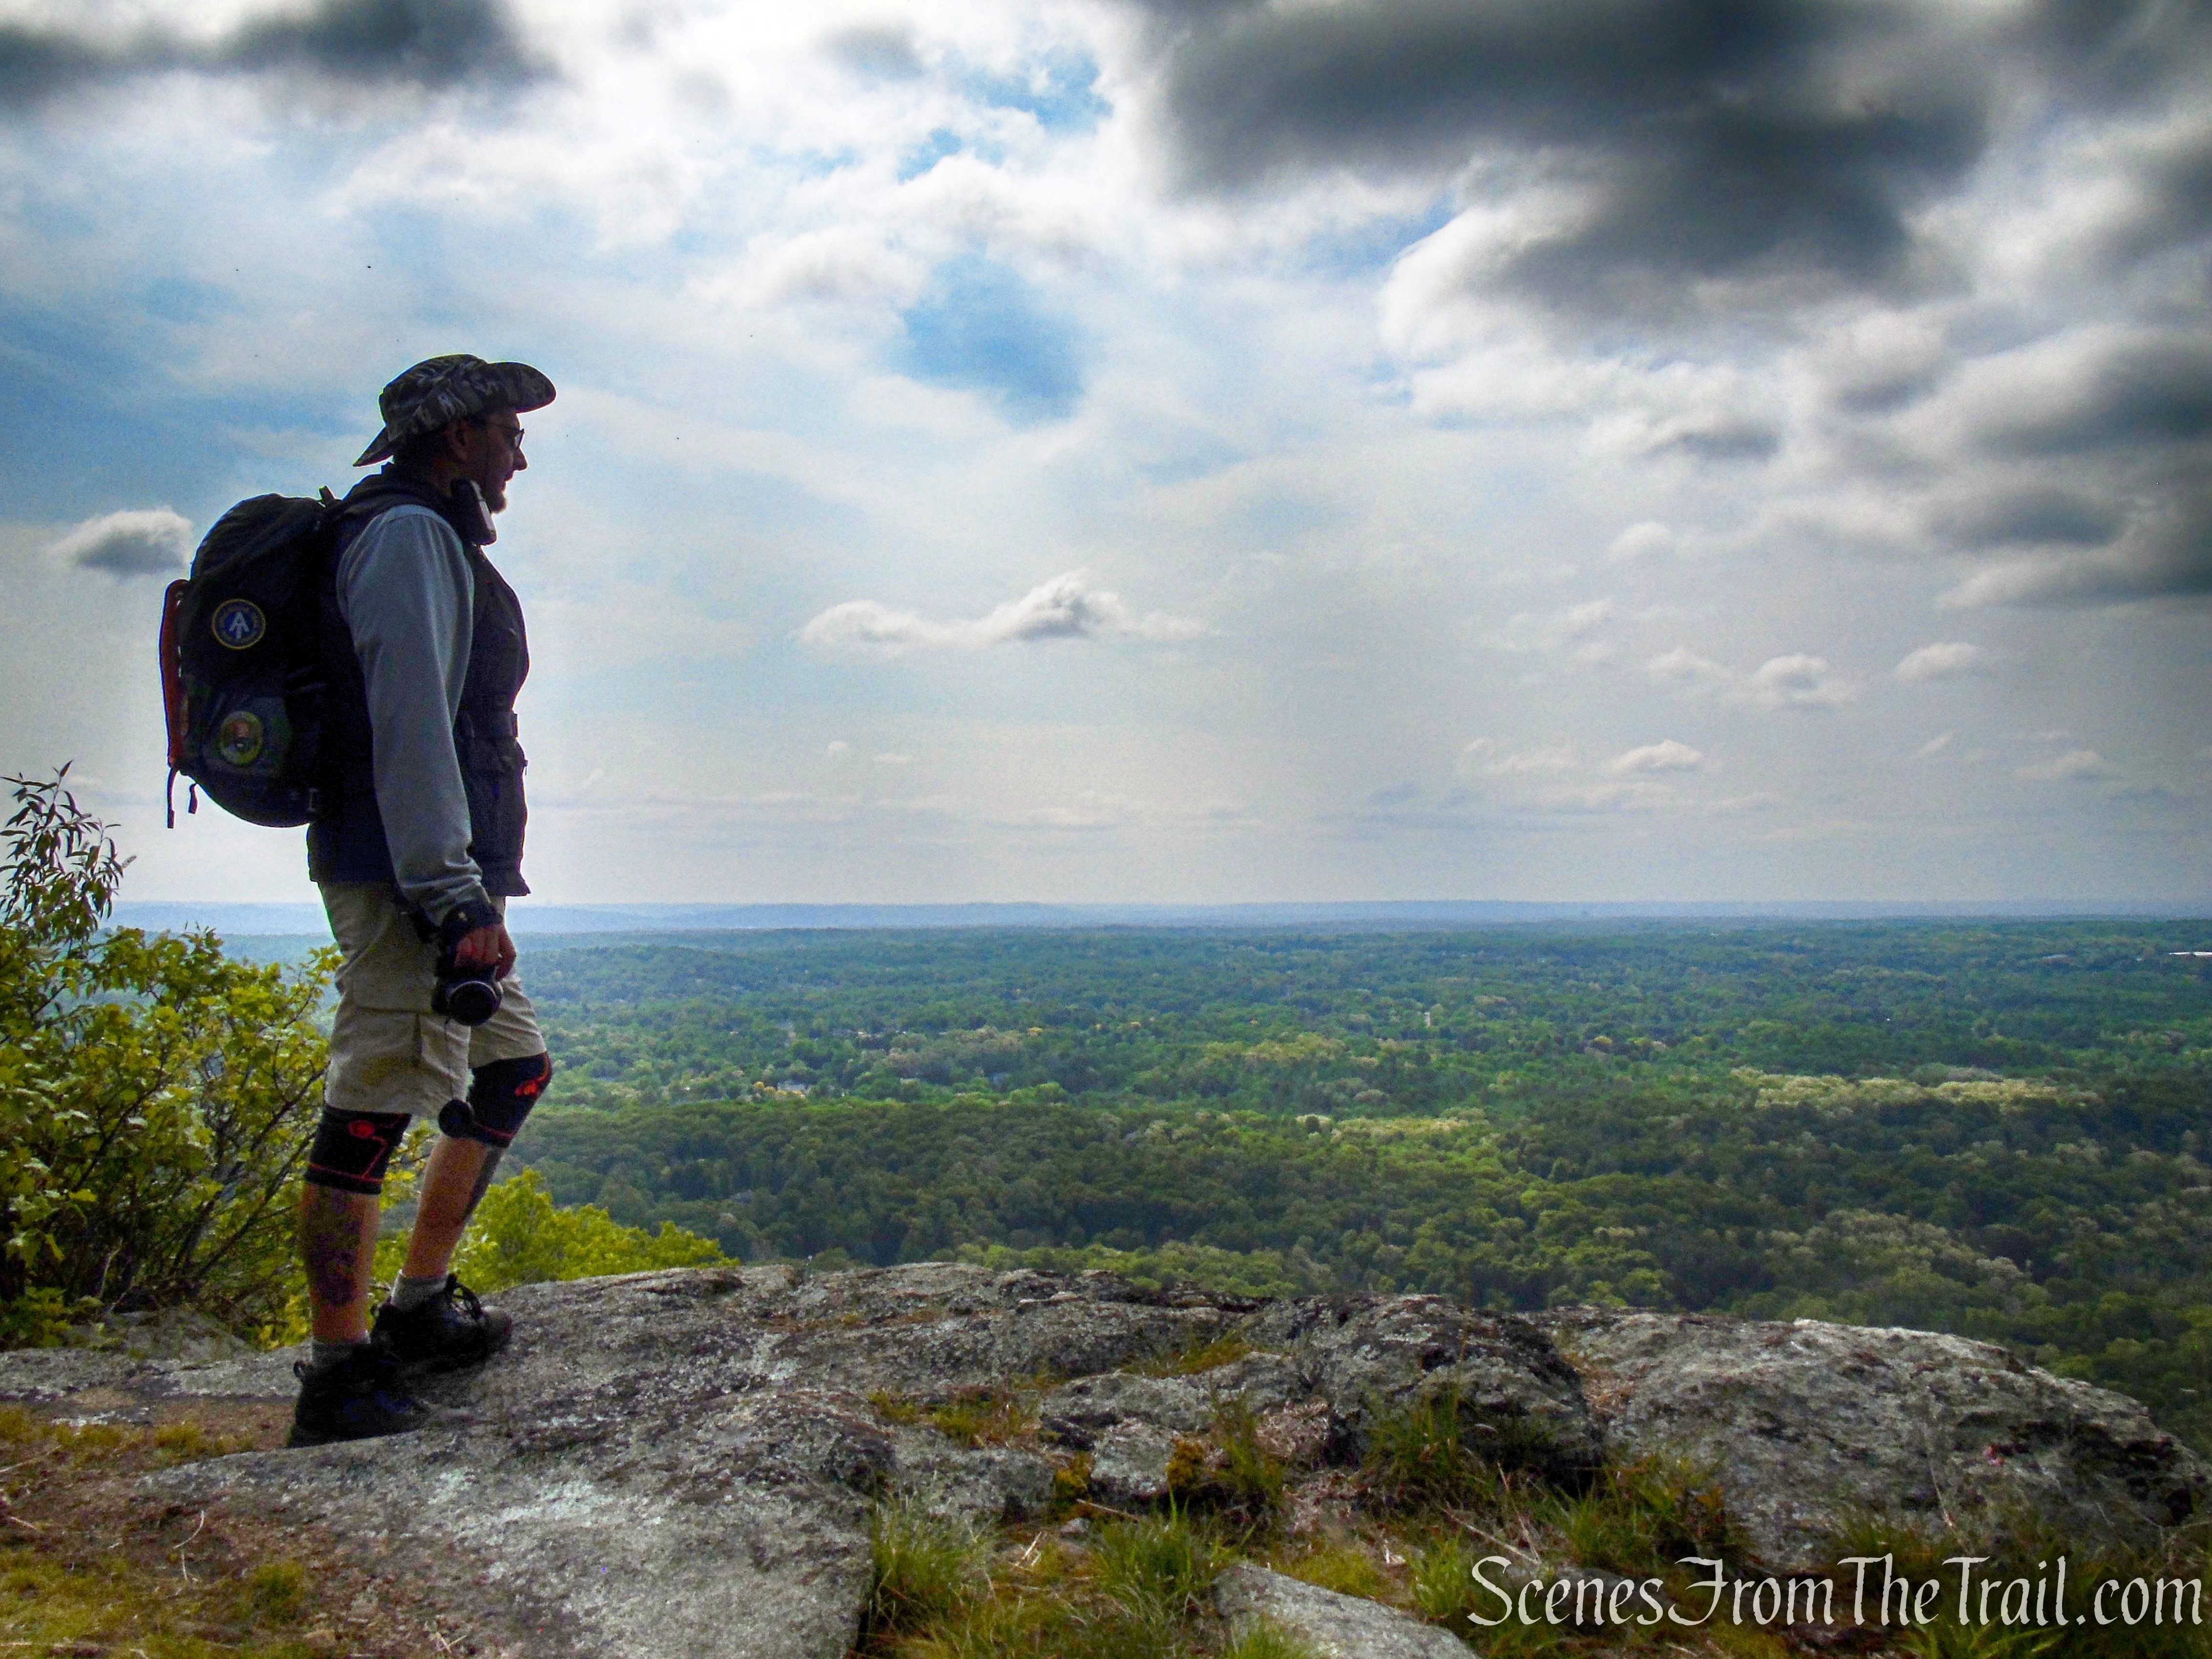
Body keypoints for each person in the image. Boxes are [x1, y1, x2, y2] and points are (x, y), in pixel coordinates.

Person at [287, 354, 558, 1447]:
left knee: (510, 1064)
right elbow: (411, 724)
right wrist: (452, 896)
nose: (519, 452)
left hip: (434, 872)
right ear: (455, 438)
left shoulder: (428, 532)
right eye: (505, 430)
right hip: (410, 876)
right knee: (370, 1103)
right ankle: (339, 1371)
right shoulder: (404, 536)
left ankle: (416, 1306)